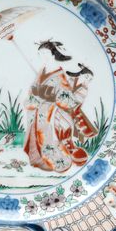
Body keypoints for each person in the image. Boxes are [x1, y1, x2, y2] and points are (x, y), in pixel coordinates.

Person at [23, 40, 95, 172]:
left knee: (48, 137)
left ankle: (58, 162)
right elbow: (33, 90)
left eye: (45, 53)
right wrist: (35, 97)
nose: (43, 57)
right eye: (40, 54)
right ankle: (39, 160)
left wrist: (47, 95)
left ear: (53, 54)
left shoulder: (59, 74)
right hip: (38, 111)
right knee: (36, 136)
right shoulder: (41, 71)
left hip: (51, 112)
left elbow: (66, 98)